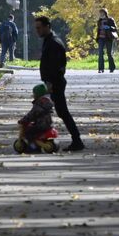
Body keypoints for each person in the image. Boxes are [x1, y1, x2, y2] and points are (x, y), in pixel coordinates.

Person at [34, 16, 84, 152]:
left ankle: (77, 140)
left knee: (63, 112)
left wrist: (50, 83)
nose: (37, 31)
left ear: (47, 26)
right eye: (36, 28)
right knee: (60, 112)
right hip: (51, 83)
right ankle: (73, 139)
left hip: (55, 83)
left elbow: (58, 67)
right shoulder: (48, 41)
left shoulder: (54, 43)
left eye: (39, 28)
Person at [18, 83, 54, 149]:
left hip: (40, 125)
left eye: (34, 93)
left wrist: (23, 120)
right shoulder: (47, 102)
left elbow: (31, 114)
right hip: (48, 123)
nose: (33, 95)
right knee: (33, 128)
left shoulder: (38, 104)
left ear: (37, 95)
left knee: (28, 133)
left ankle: (33, 146)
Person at [96, 8, 118, 73]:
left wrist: (109, 27)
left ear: (105, 13)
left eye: (102, 13)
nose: (101, 14)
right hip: (101, 38)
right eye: (100, 13)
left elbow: (115, 28)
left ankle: (112, 68)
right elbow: (98, 29)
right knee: (100, 53)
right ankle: (100, 69)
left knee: (109, 53)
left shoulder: (110, 20)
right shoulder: (99, 21)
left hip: (108, 38)